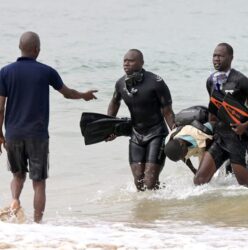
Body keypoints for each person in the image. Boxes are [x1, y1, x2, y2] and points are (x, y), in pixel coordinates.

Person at [0, 31, 97, 223]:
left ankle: (14, 200)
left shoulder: (5, 72)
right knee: (39, 182)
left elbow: (0, 107)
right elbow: (67, 93)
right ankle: (37, 224)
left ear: (20, 48)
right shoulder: (47, 71)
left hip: (13, 134)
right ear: (37, 50)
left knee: (17, 176)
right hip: (37, 135)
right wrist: (84, 95)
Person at [193, 43, 248, 187]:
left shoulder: (240, 80)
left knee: (245, 187)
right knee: (199, 180)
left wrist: (245, 125)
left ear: (231, 58)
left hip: (238, 141)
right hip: (220, 139)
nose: (216, 59)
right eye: (214, 55)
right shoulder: (211, 81)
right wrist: (208, 133)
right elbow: (213, 110)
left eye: (220, 56)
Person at [107, 49, 176, 191]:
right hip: (136, 135)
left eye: (130, 61)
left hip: (157, 133)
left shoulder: (156, 82)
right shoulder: (120, 84)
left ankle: (157, 207)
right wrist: (109, 127)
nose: (126, 63)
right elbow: (114, 103)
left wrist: (174, 133)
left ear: (141, 63)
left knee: (150, 180)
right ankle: (153, 204)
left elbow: (167, 111)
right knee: (139, 181)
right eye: (124, 61)